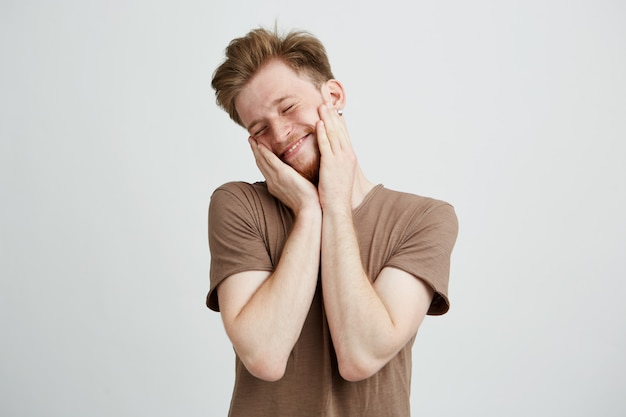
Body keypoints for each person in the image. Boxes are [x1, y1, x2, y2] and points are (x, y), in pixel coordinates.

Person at [206, 26, 458, 417]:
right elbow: (265, 355)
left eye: (288, 107)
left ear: (334, 97)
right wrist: (309, 213)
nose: (280, 133)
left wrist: (335, 206)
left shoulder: (423, 219)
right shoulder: (239, 205)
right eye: (259, 129)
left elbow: (360, 355)